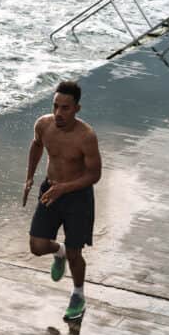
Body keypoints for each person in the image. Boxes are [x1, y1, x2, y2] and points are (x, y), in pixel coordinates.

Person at [22, 80, 102, 320]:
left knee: (76, 255)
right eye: (55, 105)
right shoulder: (43, 125)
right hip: (51, 190)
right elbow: (37, 146)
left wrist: (65, 188)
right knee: (37, 247)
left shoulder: (86, 137)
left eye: (65, 108)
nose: (58, 113)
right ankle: (59, 252)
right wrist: (28, 178)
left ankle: (78, 295)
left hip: (78, 197)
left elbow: (94, 175)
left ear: (77, 108)